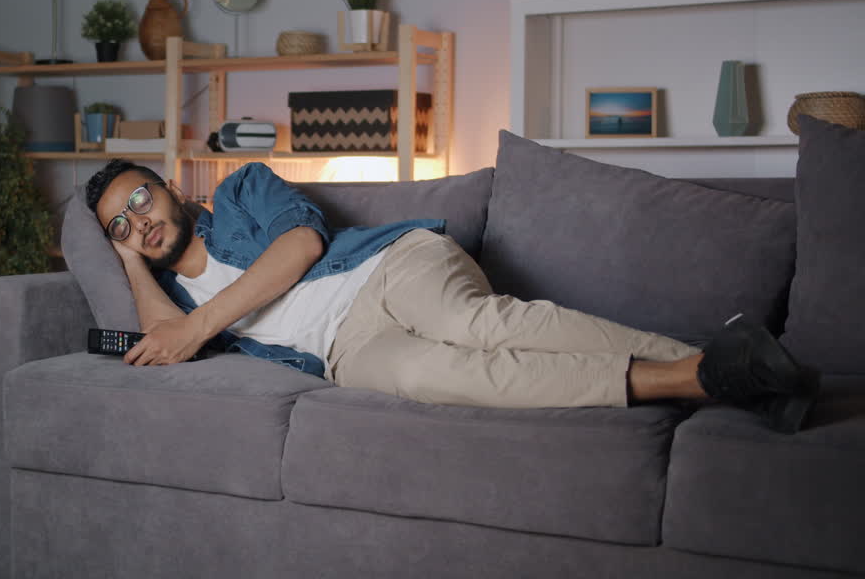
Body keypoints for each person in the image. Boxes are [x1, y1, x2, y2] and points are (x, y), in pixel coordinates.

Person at [86, 159, 820, 433]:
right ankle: (714, 373)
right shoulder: (168, 295)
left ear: (171, 185)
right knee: (439, 377)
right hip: (346, 350)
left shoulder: (241, 190)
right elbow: (163, 341)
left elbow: (302, 244)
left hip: (385, 269)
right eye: (121, 224)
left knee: (473, 323)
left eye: (141, 198)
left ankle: (705, 362)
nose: (139, 222)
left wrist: (199, 326)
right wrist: (130, 261)